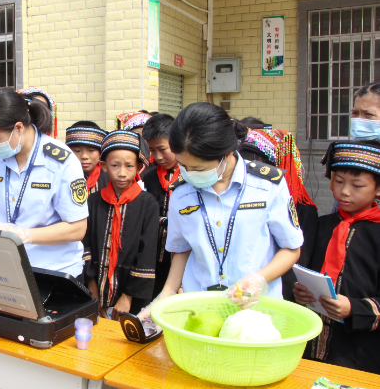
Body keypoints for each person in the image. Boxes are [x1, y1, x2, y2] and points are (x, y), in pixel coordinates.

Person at [138, 102, 304, 321]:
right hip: (199, 312)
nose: (188, 174)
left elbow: (291, 249)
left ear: (226, 155)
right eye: (182, 166)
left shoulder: (268, 186)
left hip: (256, 313)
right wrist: (167, 293)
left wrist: (259, 279)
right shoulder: (181, 192)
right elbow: (181, 250)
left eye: (198, 168)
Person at [0, 89, 88, 278]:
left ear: (19, 128)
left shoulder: (60, 162)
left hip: (54, 272)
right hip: (7, 267)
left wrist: (24, 235)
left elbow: (77, 228)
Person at [294, 141, 380, 374]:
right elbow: (304, 270)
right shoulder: (321, 225)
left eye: (357, 185)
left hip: (360, 352)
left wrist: (354, 308)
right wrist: (300, 292)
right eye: (339, 181)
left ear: (378, 189)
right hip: (311, 344)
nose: (345, 191)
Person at [83, 130, 159, 319]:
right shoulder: (93, 201)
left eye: (129, 166)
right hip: (96, 286)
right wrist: (92, 289)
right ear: (104, 166)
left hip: (131, 294)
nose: (122, 173)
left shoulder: (148, 203)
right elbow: (85, 244)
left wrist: (128, 296)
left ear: (139, 167)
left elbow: (147, 253)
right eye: (115, 165)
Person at [239, 128, 319, 302]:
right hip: (240, 288)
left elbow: (299, 260)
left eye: (255, 163)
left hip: (280, 294)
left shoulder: (303, 209)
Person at [140, 114, 178, 297]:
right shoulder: (148, 176)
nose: (157, 156)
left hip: (179, 256)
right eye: (152, 151)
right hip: (154, 254)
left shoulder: (191, 176)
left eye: (162, 149)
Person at [66, 121, 109, 195]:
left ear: (100, 153)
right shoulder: (62, 177)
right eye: (77, 151)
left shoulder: (110, 178)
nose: (84, 156)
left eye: (91, 150)